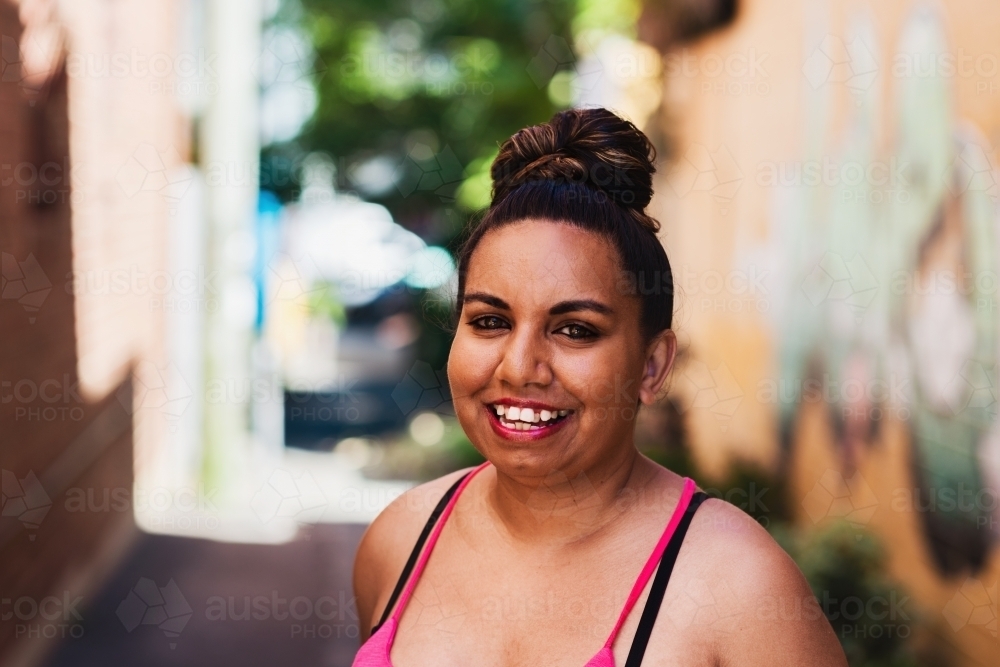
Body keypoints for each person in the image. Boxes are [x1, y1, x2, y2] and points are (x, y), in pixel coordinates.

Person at [352, 108, 847, 666]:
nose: (519, 367)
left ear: (652, 366)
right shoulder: (399, 540)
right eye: (490, 321)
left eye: (575, 330)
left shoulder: (739, 589)